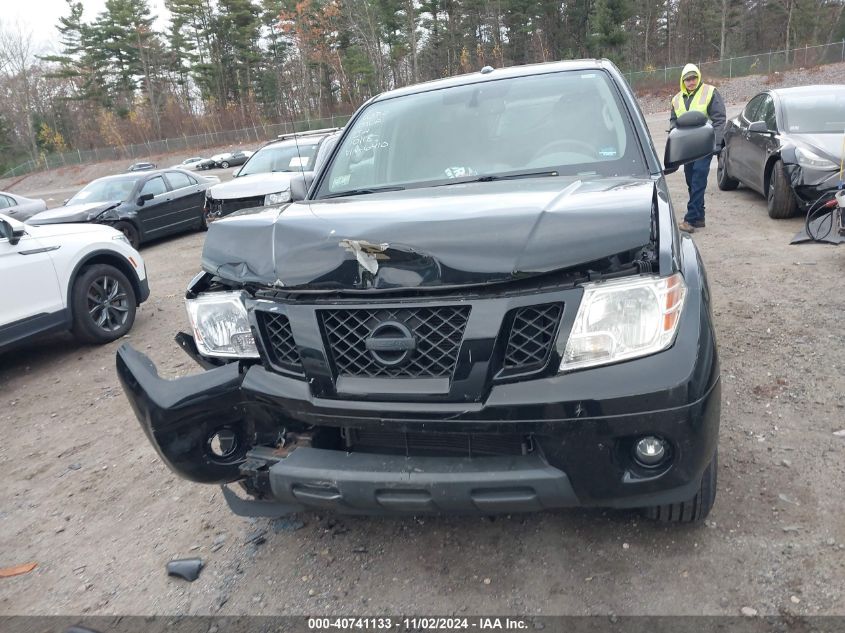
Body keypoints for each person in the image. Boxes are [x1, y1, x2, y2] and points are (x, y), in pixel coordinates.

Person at [670, 64, 726, 233]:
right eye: (688, 79)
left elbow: (719, 119)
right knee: (690, 180)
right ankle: (700, 216)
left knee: (698, 180)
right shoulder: (677, 99)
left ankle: (691, 219)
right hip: (688, 147)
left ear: (699, 77)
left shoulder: (710, 92)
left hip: (704, 144)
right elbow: (673, 121)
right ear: (683, 81)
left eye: (694, 78)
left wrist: (717, 143)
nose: (691, 81)